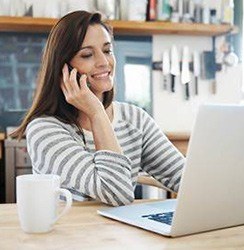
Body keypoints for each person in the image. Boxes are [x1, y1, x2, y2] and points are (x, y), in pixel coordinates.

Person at [12, 11, 185, 206]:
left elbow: (187, 179)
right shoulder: (44, 130)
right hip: (73, 235)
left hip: (122, 235)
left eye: (107, 50)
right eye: (87, 54)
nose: (104, 62)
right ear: (64, 69)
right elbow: (116, 193)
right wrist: (97, 113)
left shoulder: (134, 119)